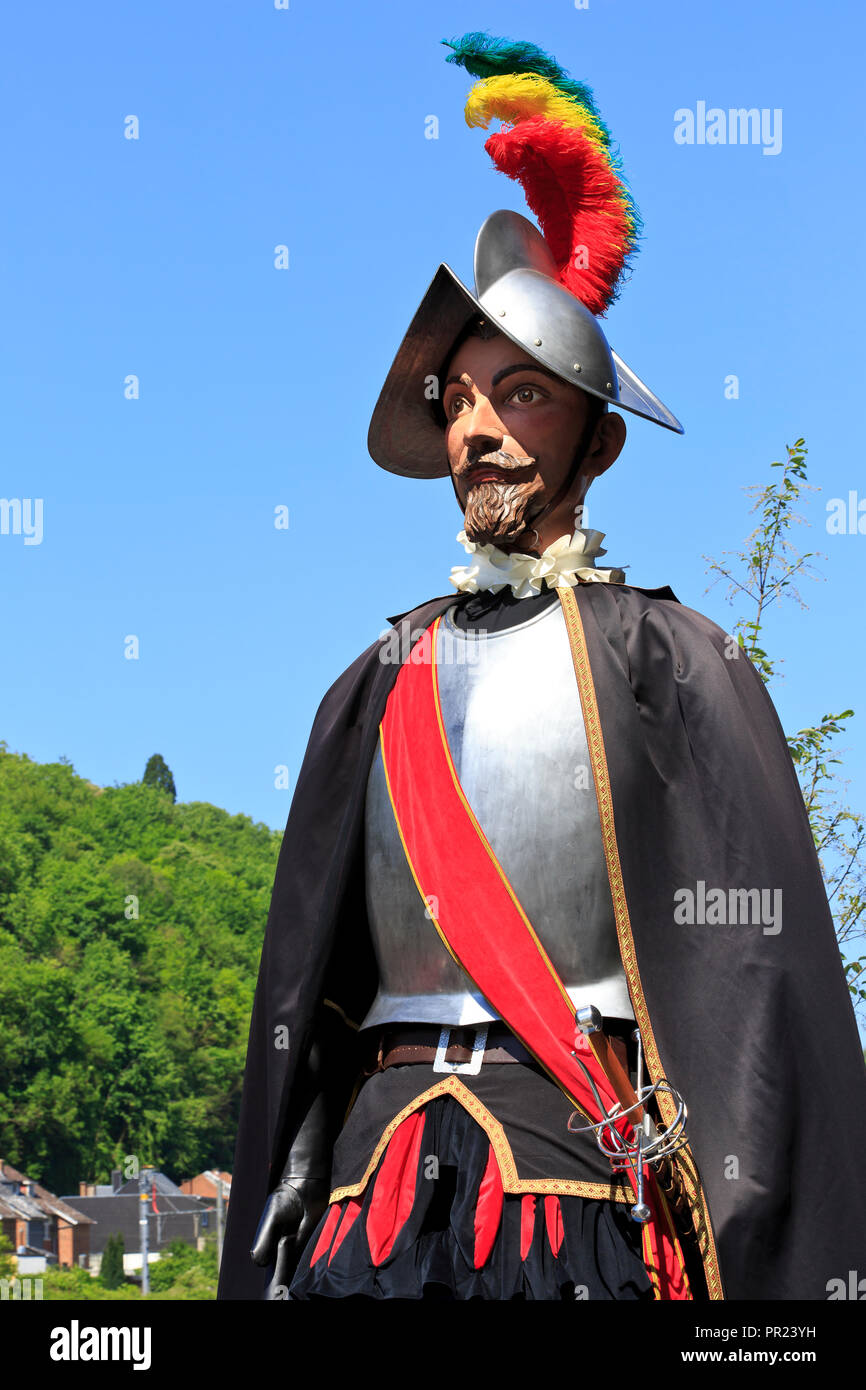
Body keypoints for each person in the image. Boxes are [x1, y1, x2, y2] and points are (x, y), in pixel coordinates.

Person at [218, 34, 866, 1302]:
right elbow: (316, 979)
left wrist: (741, 1231)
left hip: (575, 1183)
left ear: (597, 444)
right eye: (455, 399)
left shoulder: (676, 665)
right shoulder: (373, 679)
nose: (476, 431)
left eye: (517, 396)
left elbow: (758, 996)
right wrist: (295, 1159)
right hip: (376, 1197)